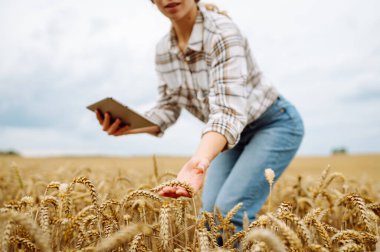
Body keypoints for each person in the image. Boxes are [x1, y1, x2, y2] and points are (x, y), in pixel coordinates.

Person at [95, 0, 304, 231]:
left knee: (229, 213)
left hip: (272, 124)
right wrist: (131, 125)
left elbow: (228, 110)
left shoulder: (223, 33)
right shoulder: (163, 51)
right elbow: (168, 106)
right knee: (208, 217)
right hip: (227, 138)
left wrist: (198, 161)